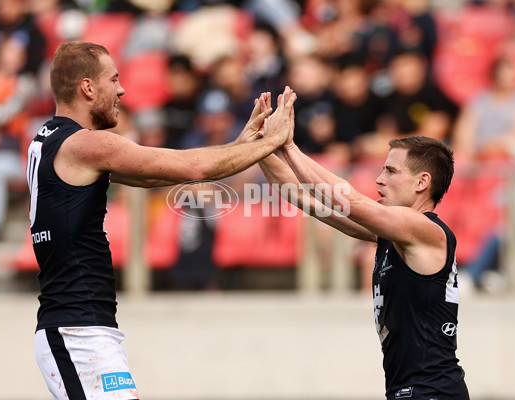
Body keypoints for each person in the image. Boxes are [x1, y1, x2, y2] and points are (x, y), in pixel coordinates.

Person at [27, 41, 296, 400]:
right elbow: (193, 167)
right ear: (88, 88)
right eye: (114, 78)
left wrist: (240, 143)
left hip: (82, 328)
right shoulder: (87, 146)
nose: (122, 89)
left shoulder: (49, 141)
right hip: (78, 333)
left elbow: (161, 175)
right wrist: (273, 141)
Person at [253, 92, 469, 399]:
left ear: (422, 182)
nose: (379, 179)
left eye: (391, 171)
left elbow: (348, 199)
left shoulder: (425, 229)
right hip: (408, 392)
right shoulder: (395, 236)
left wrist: (288, 146)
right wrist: (261, 145)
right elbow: (301, 197)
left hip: (431, 393)